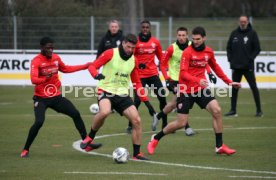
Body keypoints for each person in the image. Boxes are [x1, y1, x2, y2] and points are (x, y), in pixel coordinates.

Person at [147, 27, 241, 156]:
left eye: (198, 39)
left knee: (217, 110)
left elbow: (216, 68)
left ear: (204, 38)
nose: (195, 41)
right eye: (194, 39)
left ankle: (219, 146)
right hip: (185, 89)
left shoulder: (208, 52)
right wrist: (197, 80)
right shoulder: (187, 52)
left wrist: (229, 82)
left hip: (200, 89)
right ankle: (156, 138)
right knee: (181, 123)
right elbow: (183, 73)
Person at [20, 37, 101, 158]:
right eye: (48, 48)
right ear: (42, 47)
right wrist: (44, 79)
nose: (51, 50)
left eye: (52, 47)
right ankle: (25, 149)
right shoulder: (36, 61)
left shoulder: (56, 58)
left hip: (56, 97)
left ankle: (86, 143)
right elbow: (33, 79)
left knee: (75, 113)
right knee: (39, 122)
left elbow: (66, 69)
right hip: (41, 99)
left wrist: (84, 66)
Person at [80, 34, 155, 160]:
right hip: (105, 90)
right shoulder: (110, 53)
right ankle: (90, 137)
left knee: (136, 120)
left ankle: (137, 154)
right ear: (123, 43)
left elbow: (137, 82)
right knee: (105, 111)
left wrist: (146, 102)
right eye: (128, 47)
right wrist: (95, 75)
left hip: (122, 94)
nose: (130, 50)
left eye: (133, 48)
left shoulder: (134, 60)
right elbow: (93, 66)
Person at [152, 27, 217, 135]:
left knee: (174, 103)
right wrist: (167, 79)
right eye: (179, 35)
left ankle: (158, 116)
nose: (181, 38)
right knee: (180, 101)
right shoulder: (172, 48)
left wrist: (209, 73)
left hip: (188, 80)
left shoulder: (193, 45)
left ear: (187, 36)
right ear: (176, 36)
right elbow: (162, 65)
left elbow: (202, 61)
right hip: (175, 80)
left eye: (183, 35)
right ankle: (187, 128)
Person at [126, 20, 166, 133]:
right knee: (137, 101)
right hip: (139, 76)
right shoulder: (136, 42)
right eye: (143, 27)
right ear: (140, 28)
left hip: (153, 74)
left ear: (150, 28)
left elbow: (161, 58)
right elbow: (130, 57)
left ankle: (165, 123)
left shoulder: (155, 42)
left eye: (147, 27)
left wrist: (164, 67)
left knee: (162, 97)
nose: (145, 29)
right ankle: (130, 125)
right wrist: (138, 64)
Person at [225, 15, 263, 117]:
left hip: (248, 67)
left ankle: (259, 111)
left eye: (244, 21)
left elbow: (257, 48)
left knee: (254, 88)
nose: (243, 23)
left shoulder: (252, 33)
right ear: (239, 22)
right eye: (241, 21)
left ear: (247, 22)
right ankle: (233, 110)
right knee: (234, 89)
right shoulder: (234, 34)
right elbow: (228, 48)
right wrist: (230, 59)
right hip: (236, 67)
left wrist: (251, 58)